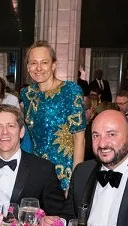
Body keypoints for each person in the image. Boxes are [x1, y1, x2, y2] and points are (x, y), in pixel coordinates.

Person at [0, 105, 66, 216]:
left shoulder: (44, 169)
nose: (4, 132)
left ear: (21, 132)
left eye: (11, 126)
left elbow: (57, 217)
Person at [20, 41, 86, 190]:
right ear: (28, 67)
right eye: (33, 63)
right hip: (35, 173)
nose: (38, 68)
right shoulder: (27, 94)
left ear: (53, 65)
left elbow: (79, 138)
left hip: (64, 175)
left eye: (44, 62)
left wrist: (75, 182)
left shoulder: (71, 91)